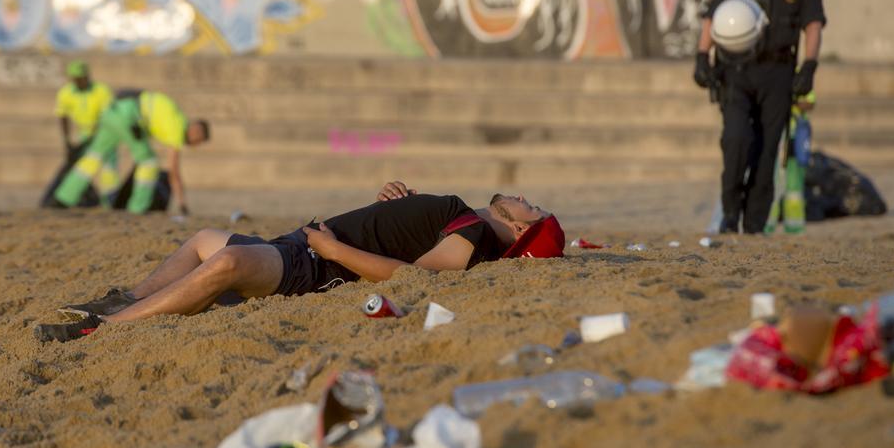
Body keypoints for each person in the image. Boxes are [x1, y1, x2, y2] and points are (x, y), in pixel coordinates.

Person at [34, 181, 566, 342]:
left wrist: (335, 250)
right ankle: (127, 299)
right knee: (203, 240)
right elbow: (412, 243)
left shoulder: (474, 236)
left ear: (521, 229)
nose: (522, 194)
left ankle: (103, 331)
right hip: (304, 245)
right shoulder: (464, 218)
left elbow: (416, 278)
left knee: (226, 262)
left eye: (531, 204)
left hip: (318, 266)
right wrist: (401, 205)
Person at [693, 0, 825, 234]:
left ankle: (753, 227)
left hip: (779, 73)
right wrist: (701, 56)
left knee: (767, 152)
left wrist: (809, 64)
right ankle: (729, 214)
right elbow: (712, 14)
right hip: (736, 71)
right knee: (737, 141)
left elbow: (813, 24)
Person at [52, 89, 209, 215]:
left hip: (112, 111)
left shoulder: (174, 113)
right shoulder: (177, 128)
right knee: (149, 162)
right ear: (196, 131)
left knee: (93, 156)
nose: (194, 144)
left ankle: (62, 199)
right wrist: (182, 204)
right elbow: (174, 172)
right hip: (129, 117)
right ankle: (137, 208)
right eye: (198, 140)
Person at [53, 61, 117, 205]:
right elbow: (62, 115)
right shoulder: (66, 93)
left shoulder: (102, 90)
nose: (81, 82)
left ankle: (110, 199)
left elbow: (108, 116)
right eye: (77, 79)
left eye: (83, 78)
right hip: (84, 134)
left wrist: (95, 135)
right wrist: (67, 141)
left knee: (109, 169)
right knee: (84, 168)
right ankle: (73, 198)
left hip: (106, 133)